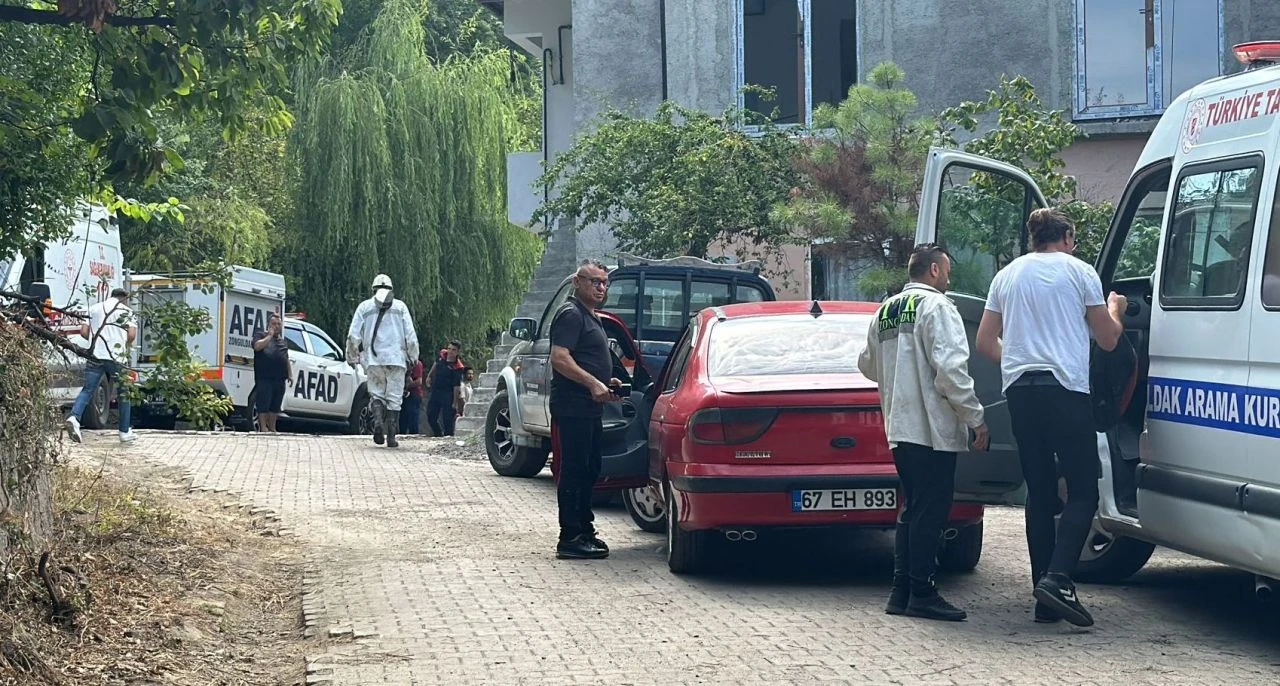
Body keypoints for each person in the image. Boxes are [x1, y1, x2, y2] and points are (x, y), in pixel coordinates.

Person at [976, 208, 1127, 628]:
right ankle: (1059, 579)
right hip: (1066, 390)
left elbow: (986, 342)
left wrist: (1022, 362)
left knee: (1040, 494)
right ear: (1066, 238)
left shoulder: (1006, 276)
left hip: (1021, 392)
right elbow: (1108, 339)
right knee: (1083, 491)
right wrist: (1115, 307)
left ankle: (1044, 600)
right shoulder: (1081, 273)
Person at [857, 244, 989, 622]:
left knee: (912, 508)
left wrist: (899, 370)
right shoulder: (939, 308)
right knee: (931, 510)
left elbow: (866, 365)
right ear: (933, 271)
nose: (949, 278)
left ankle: (901, 591)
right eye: (946, 270)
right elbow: (950, 371)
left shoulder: (885, 310)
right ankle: (923, 592)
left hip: (899, 425)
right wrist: (975, 418)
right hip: (931, 427)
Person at [549, 259, 622, 560]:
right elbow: (560, 358)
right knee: (575, 470)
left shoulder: (591, 316)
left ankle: (585, 529)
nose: (601, 287)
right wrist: (593, 384)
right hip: (573, 407)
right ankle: (570, 537)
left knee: (590, 468)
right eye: (595, 281)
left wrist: (608, 381)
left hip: (590, 408)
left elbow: (586, 358)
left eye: (604, 283)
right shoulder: (570, 314)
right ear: (577, 282)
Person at [347, 274, 419, 448]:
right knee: (395, 398)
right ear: (391, 289)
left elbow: (353, 335)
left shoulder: (364, 307)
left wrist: (352, 356)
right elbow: (410, 335)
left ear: (373, 289)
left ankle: (378, 421)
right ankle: (392, 436)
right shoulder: (400, 307)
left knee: (377, 394)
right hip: (396, 360)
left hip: (373, 360)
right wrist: (413, 356)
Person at [65, 288, 137, 443]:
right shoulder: (126, 311)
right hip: (116, 358)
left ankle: (74, 417)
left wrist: (95, 342)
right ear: (124, 298)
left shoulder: (94, 308)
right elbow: (131, 335)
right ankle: (124, 431)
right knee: (124, 393)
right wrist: (122, 344)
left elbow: (84, 332)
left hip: (95, 354)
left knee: (88, 389)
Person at [252, 313, 293, 433]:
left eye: (278, 324)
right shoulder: (260, 335)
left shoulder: (283, 341)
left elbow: (286, 358)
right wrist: (269, 336)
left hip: (280, 378)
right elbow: (257, 347)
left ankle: (272, 427)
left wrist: (290, 374)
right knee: (263, 403)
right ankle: (263, 428)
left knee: (275, 405)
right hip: (264, 377)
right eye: (273, 324)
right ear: (268, 325)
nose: (276, 326)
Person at [424, 341, 465, 436]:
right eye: (449, 348)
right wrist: (429, 376)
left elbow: (456, 386)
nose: (450, 351)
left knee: (447, 418)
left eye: (453, 350)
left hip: (448, 393)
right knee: (431, 415)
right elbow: (435, 364)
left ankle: (448, 437)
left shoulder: (458, 367)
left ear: (457, 352)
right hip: (436, 390)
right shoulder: (442, 355)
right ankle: (438, 434)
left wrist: (454, 402)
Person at [400, 357, 425, 436]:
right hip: (403, 394)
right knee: (402, 418)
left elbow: (419, 381)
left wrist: (407, 385)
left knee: (413, 418)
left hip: (413, 394)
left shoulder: (417, 364)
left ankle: (413, 435)